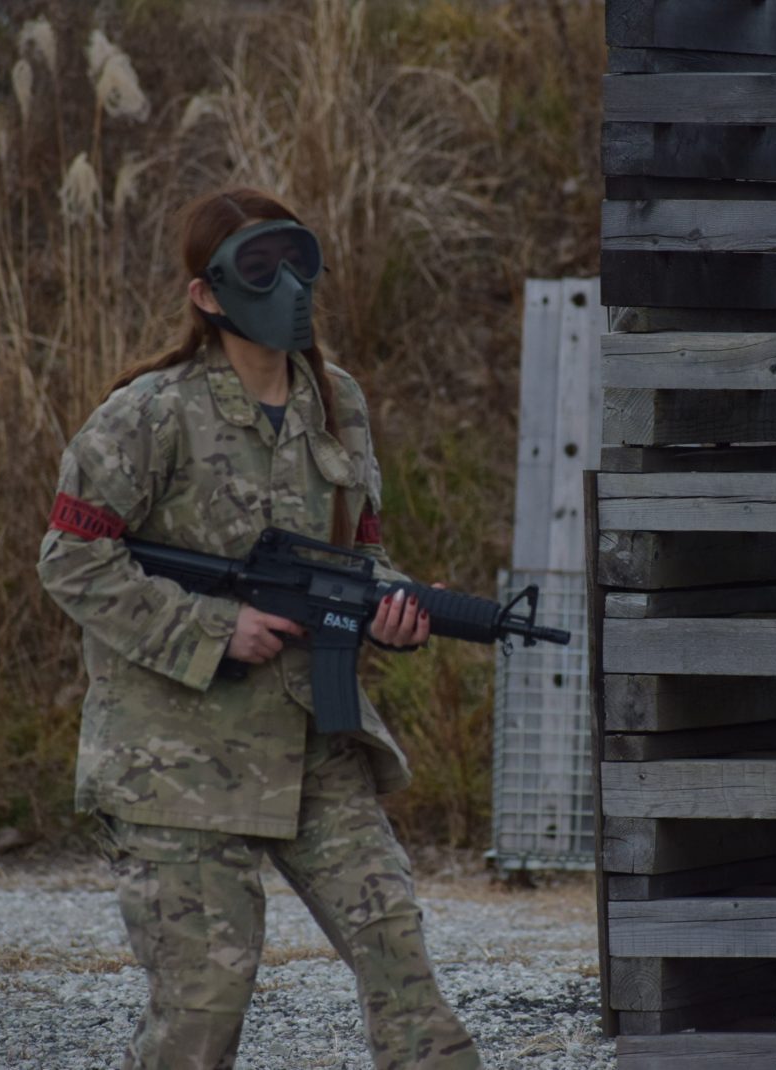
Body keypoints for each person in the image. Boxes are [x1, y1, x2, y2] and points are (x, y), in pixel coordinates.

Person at [36, 187, 483, 1070]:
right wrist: (214, 629)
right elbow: (72, 559)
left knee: (399, 957)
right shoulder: (150, 413)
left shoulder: (336, 401)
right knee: (202, 1012)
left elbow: (359, 556)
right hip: (176, 763)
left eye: (298, 260)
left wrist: (397, 611)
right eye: (259, 266)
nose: (289, 286)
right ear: (207, 294)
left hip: (312, 740)